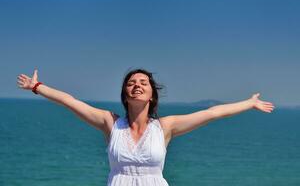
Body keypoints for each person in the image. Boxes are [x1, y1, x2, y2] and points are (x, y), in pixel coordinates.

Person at [17, 68, 275, 186]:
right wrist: (38, 87)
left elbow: (212, 112)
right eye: (131, 83)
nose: (137, 85)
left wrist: (249, 103)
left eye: (143, 82)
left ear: (151, 94)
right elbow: (70, 102)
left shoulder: (165, 127)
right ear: (125, 94)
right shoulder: (110, 123)